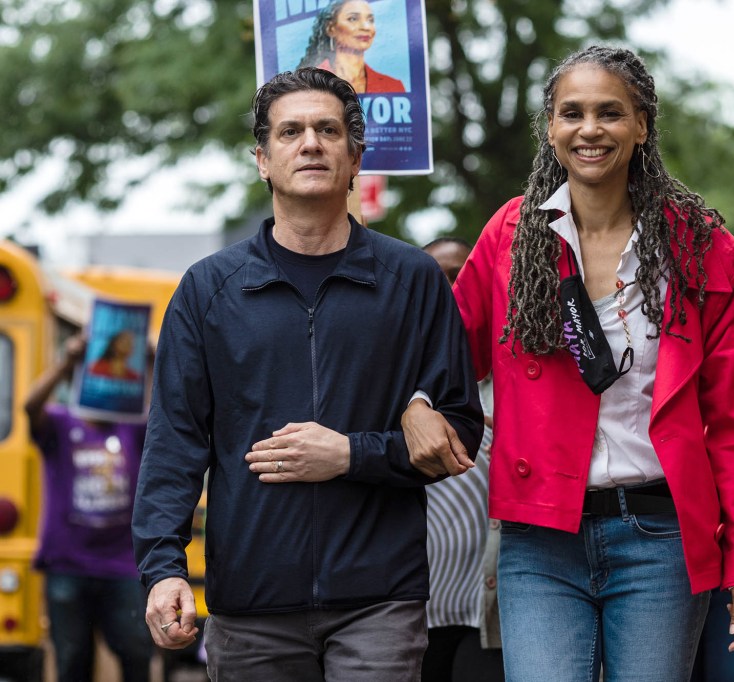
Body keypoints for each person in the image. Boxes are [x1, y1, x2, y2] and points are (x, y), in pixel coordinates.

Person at [403, 46, 734, 681]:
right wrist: (416, 404)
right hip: (540, 536)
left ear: (642, 125)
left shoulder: (704, 248)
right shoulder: (510, 236)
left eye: (610, 112)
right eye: (571, 113)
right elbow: (442, 352)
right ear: (550, 127)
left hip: (659, 535)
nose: (590, 129)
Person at [131, 67, 482, 681]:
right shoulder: (208, 290)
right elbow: (175, 443)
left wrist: (350, 454)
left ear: (356, 157)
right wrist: (163, 568)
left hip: (381, 598)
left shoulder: (414, 282)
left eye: (328, 130)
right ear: (262, 160)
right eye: (290, 131)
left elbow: (459, 434)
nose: (311, 143)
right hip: (249, 602)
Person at [25, 333, 152, 682]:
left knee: (136, 651)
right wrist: (67, 360)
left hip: (123, 566)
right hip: (68, 565)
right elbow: (30, 406)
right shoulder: (61, 425)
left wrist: (151, 361)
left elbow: (164, 413)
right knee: (72, 660)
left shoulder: (132, 430)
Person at [421, 237, 504, 682]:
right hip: (416, 606)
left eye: (463, 278)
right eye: (439, 280)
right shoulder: (399, 385)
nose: (453, 292)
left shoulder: (514, 380)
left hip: (487, 609)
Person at [297, 0, 405, 93]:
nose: (366, 27)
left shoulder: (393, 86)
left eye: (370, 20)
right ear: (331, 28)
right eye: (353, 19)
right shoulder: (307, 83)